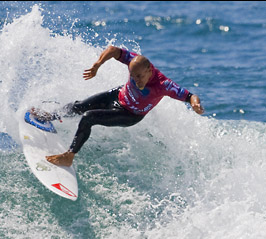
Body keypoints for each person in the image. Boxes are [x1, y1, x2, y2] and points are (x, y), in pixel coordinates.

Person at [32, 45, 204, 167]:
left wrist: (195, 104)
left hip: (130, 114)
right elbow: (113, 50)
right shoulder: (135, 61)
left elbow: (189, 95)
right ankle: (50, 116)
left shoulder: (163, 84)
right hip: (118, 95)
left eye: (139, 77)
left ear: (149, 71)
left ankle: (69, 156)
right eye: (133, 76)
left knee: (88, 117)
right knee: (80, 105)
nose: (136, 81)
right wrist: (98, 64)